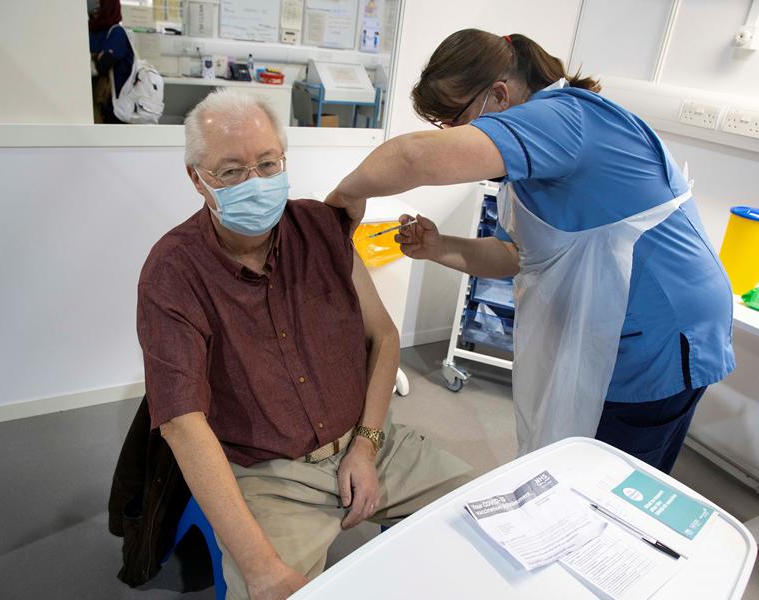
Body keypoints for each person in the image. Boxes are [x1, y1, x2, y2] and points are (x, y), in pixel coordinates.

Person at [325, 29, 735, 474]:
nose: (454, 136)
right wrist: (438, 247)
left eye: (455, 122)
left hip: (661, 327)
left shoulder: (566, 119)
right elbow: (514, 254)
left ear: (499, 96)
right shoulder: (534, 161)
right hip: (621, 321)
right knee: (577, 461)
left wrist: (345, 196)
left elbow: (412, 158)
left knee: (615, 481)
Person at [137, 89, 472, 600]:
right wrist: (262, 567)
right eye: (231, 172)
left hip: (372, 444)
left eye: (268, 164)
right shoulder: (173, 272)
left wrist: (367, 443)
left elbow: (382, 335)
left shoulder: (320, 229)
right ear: (197, 179)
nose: (256, 183)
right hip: (271, 478)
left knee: (492, 518)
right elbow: (183, 425)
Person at [88, 0, 134, 123]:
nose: (93, 4)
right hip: (93, 100)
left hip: (114, 105)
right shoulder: (90, 32)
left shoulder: (117, 33)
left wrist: (95, 60)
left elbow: (102, 65)